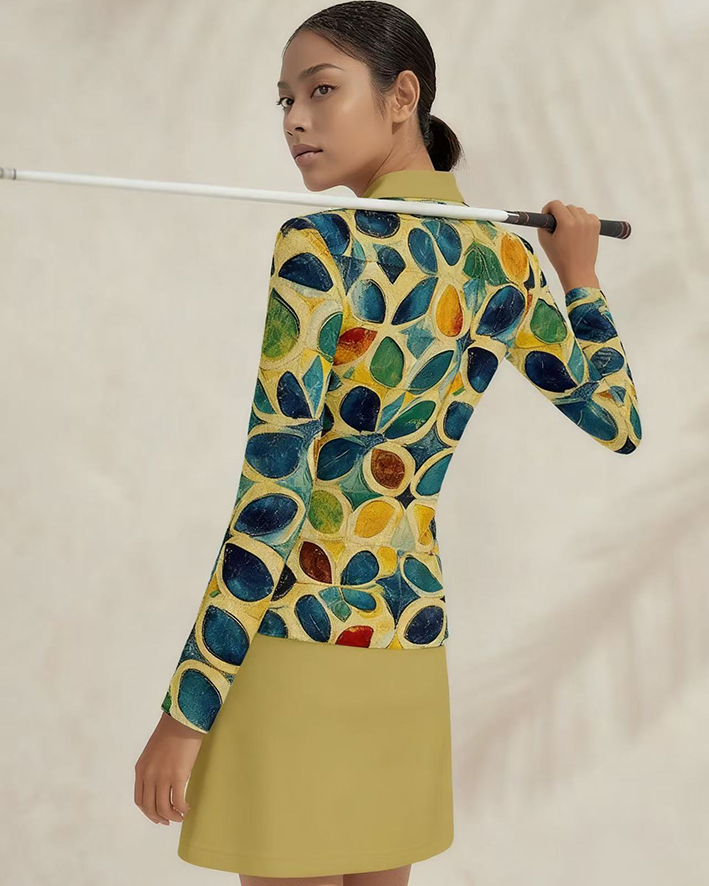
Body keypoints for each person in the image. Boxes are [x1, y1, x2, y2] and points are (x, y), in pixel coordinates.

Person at [133, 2, 643, 884]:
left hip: (295, 638)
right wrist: (581, 278)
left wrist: (187, 711)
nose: (294, 120)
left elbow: (274, 494)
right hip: (407, 640)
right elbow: (617, 419)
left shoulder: (320, 247)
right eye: (285, 99)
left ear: (402, 96)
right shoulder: (502, 260)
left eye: (320, 90)